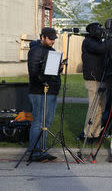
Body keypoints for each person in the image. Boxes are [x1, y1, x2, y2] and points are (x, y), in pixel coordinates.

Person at [80, 22, 112, 142]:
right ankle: (87, 134)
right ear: (92, 31)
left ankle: (95, 134)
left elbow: (104, 50)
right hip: (93, 80)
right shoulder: (88, 42)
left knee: (101, 108)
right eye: (99, 29)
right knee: (93, 107)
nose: (101, 31)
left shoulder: (99, 42)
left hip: (102, 78)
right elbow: (100, 49)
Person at [27, 27, 64, 162]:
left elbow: (51, 72)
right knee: (38, 121)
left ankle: (41, 150)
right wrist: (44, 81)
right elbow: (34, 72)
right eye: (50, 39)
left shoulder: (51, 51)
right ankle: (35, 152)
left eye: (54, 39)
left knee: (46, 122)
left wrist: (58, 68)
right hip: (39, 92)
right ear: (43, 37)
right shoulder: (36, 50)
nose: (52, 41)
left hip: (51, 91)